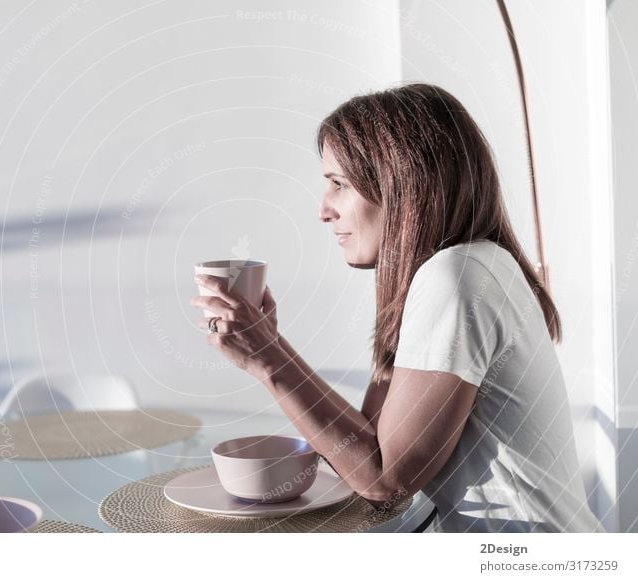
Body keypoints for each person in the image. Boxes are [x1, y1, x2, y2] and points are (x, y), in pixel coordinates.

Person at [190, 83, 604, 533]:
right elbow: (369, 439)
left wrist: (267, 359)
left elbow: (386, 479)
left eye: (338, 184)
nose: (323, 210)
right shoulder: (457, 270)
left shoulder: (456, 277)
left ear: (401, 184)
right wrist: (271, 345)